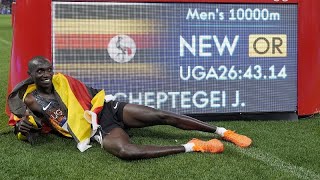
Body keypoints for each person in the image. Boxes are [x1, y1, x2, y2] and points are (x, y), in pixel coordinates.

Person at [8, 56, 252, 160]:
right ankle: (194, 145)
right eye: (40, 71)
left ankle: (223, 132)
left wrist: (99, 103)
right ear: (30, 74)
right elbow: (32, 125)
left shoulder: (63, 79)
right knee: (126, 151)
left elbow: (89, 93)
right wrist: (24, 129)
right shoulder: (31, 100)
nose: (47, 74)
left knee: (161, 114)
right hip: (97, 129)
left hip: (106, 109)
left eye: (49, 69)